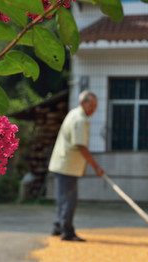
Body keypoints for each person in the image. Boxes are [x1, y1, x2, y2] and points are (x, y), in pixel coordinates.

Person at [48, 90, 105, 241]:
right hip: (67, 165)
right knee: (69, 199)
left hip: (63, 163)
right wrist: (96, 166)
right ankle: (67, 232)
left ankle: (58, 227)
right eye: (91, 105)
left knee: (63, 198)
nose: (93, 108)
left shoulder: (74, 114)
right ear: (82, 103)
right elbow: (81, 146)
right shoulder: (79, 119)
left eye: (95, 106)